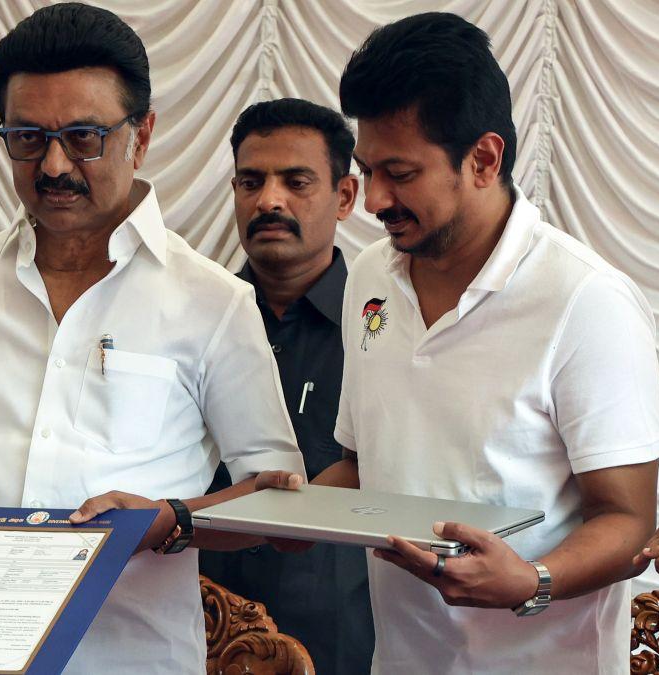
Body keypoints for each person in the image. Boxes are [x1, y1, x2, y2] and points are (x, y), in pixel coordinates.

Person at [0, 4, 305, 673]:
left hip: (127, 656)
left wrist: (170, 520)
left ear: (142, 135)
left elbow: (276, 497)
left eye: (83, 137)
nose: (53, 165)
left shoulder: (213, 301)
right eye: (27, 137)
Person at [269, 12, 659, 674]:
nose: (374, 199)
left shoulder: (586, 299)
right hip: (401, 658)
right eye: (367, 170)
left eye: (400, 172)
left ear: (483, 159)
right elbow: (367, 465)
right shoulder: (370, 278)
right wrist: (297, 510)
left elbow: (627, 521)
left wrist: (531, 581)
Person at [198, 98, 371, 674]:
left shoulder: (383, 329)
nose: (269, 201)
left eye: (296, 182)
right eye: (251, 182)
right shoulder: (190, 320)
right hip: (192, 627)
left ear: (345, 196)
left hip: (339, 635)